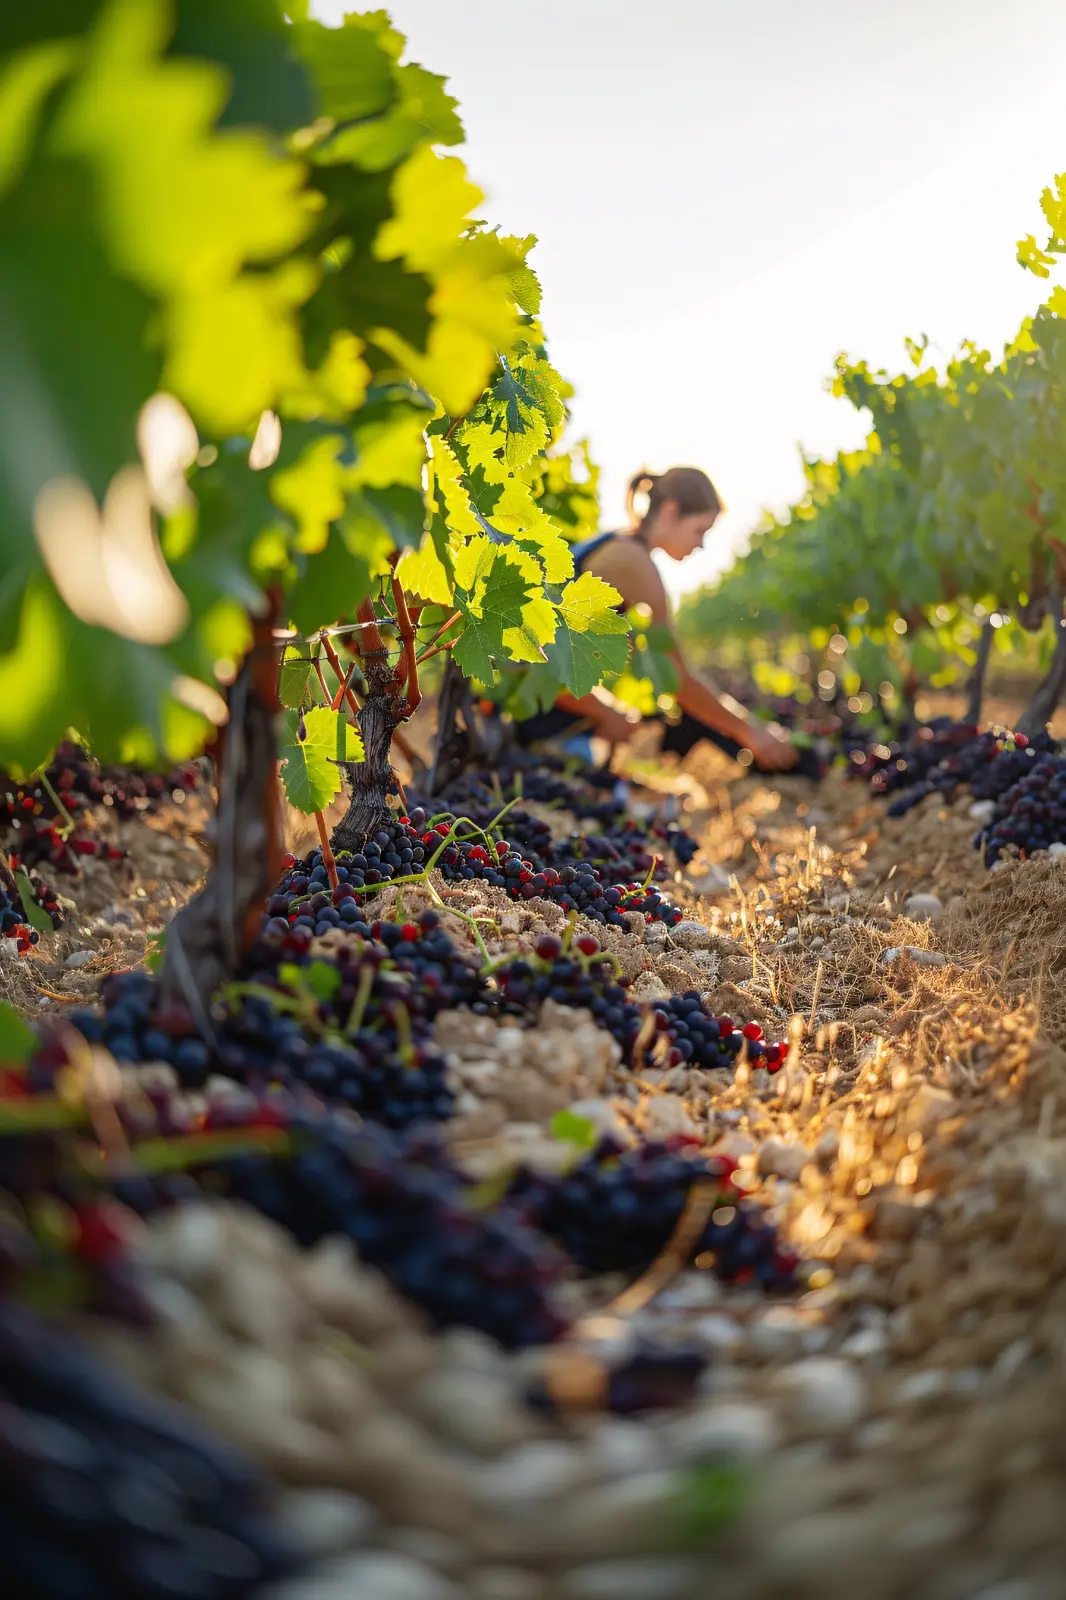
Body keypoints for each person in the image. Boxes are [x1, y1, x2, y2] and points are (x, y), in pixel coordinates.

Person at [518, 466, 799, 772]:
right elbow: (676, 678)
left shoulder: (616, 543)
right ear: (670, 511)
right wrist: (751, 733)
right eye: (699, 530)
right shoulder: (633, 563)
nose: (701, 545)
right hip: (528, 713)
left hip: (530, 699)